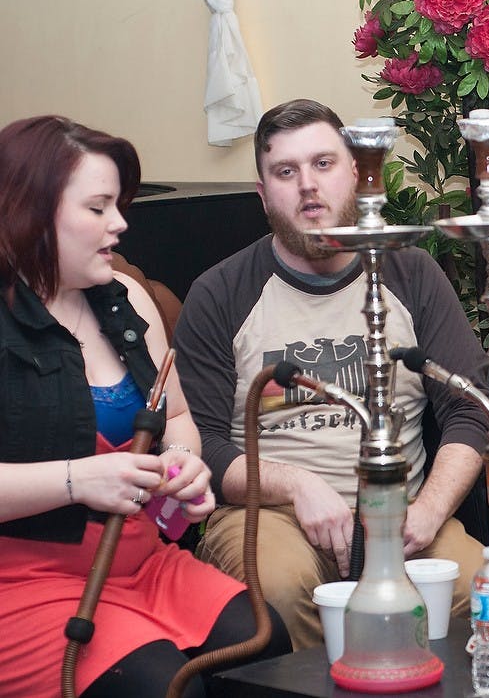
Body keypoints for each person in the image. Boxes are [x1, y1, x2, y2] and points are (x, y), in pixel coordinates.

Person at [173, 98, 489, 650]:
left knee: (482, 586)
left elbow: (471, 408)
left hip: (402, 515)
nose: (307, 186)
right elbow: (200, 448)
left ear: (358, 174)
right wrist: (297, 486)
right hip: (271, 517)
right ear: (263, 193)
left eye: (323, 164)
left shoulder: (411, 272)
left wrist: (430, 509)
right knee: (280, 587)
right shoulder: (219, 293)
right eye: (286, 172)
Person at [0, 115, 291, 697]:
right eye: (98, 208)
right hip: (22, 581)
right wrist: (76, 480)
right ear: (31, 212)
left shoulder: (126, 298)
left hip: (139, 563)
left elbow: (176, 418)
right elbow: (81, 476)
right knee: (160, 683)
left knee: (263, 648)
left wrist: (181, 465)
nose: (120, 224)